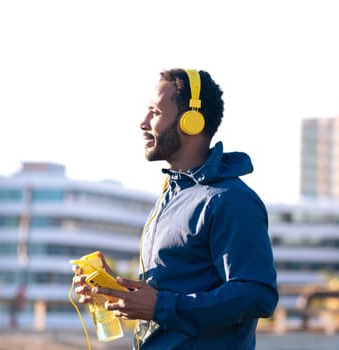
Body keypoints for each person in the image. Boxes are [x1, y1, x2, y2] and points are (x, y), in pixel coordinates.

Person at [76, 68, 278, 349]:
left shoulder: (230, 200)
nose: (143, 123)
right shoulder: (171, 195)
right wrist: (119, 292)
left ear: (191, 121)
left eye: (155, 112)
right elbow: (174, 294)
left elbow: (257, 294)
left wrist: (161, 306)